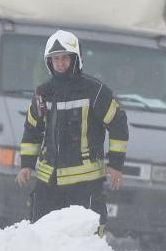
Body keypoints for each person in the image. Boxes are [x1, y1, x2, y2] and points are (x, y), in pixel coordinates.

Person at [15, 30, 129, 235]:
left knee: (86, 239)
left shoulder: (95, 91)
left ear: (76, 58)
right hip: (48, 184)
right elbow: (32, 130)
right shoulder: (43, 93)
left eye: (65, 58)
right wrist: (26, 165)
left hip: (85, 185)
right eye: (55, 59)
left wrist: (116, 165)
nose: (60, 63)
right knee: (40, 238)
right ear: (49, 62)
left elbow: (118, 123)